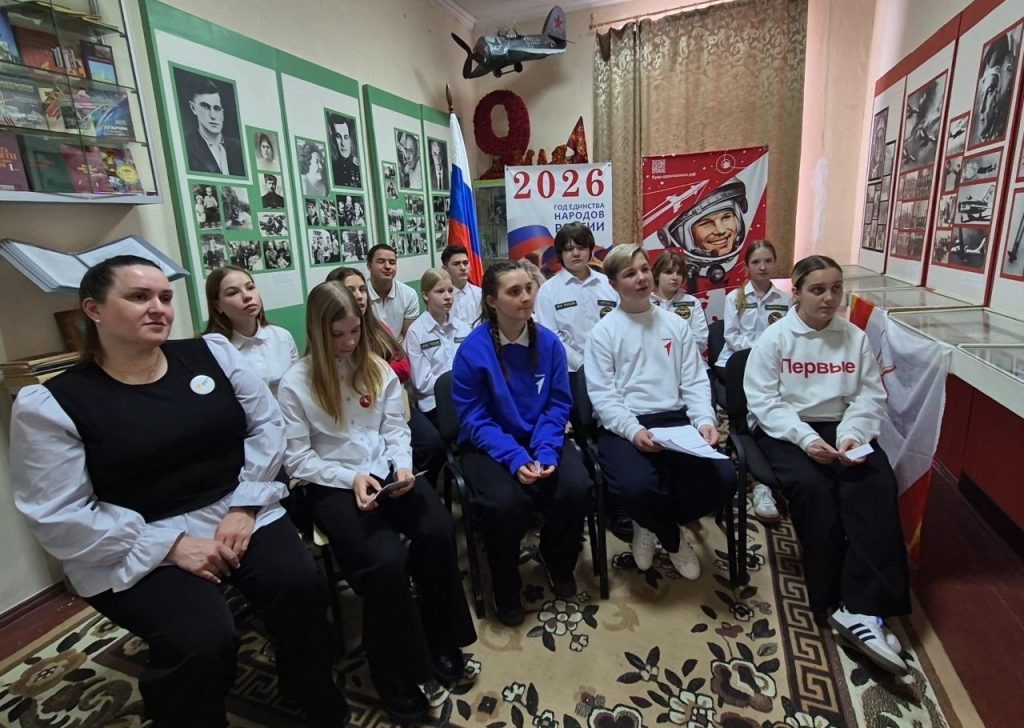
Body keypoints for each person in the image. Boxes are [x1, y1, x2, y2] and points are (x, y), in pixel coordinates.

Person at [8, 256, 347, 727]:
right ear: (93, 309)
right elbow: (57, 512)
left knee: (299, 587)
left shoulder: (212, 355)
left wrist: (246, 504)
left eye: (165, 297)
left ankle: (308, 687)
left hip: (236, 507)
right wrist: (169, 546)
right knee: (202, 639)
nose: (158, 308)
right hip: (138, 537)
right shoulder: (54, 403)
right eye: (138, 297)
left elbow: (267, 426)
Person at [276, 282, 476, 722]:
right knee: (384, 561)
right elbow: (298, 459)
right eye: (338, 335)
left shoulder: (377, 367)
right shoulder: (295, 383)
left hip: (386, 470)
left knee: (437, 529)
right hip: (331, 483)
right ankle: (399, 673)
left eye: (355, 332)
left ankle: (442, 638)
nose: (349, 343)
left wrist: (402, 467)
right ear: (317, 332)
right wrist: (350, 478)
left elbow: (394, 430)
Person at [744, 255, 910, 675]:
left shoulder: (854, 338)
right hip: (787, 428)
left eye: (836, 289)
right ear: (796, 293)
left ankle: (866, 606)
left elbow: (869, 396)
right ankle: (830, 599)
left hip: (842, 426)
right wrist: (806, 439)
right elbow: (764, 402)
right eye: (818, 290)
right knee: (813, 489)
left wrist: (852, 433)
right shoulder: (775, 339)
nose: (829, 298)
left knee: (875, 484)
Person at [452, 262, 592, 626]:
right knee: (505, 504)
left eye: (529, 288)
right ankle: (505, 584)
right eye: (514, 292)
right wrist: (515, 457)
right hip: (490, 444)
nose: (526, 297)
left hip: (540, 437)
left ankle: (556, 559)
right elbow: (475, 419)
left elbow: (558, 403)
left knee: (576, 487)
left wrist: (545, 451)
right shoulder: (473, 351)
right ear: (492, 301)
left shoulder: (549, 343)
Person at [584, 245, 734, 579]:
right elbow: (604, 397)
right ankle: (669, 536)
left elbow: (694, 380)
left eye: (643, 269)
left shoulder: (675, 325)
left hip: (674, 419)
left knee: (723, 480)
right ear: (613, 284)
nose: (641, 278)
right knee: (636, 487)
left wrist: (705, 419)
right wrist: (633, 430)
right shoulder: (603, 333)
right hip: (624, 424)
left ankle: (651, 520)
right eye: (630, 273)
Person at [327, 266, 443, 488]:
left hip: (394, 403)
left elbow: (404, 367)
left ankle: (414, 482)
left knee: (432, 444)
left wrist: (374, 373)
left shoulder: (379, 328)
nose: (359, 296)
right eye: (351, 290)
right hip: (357, 412)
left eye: (362, 289)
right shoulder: (330, 338)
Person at [534, 222, 618, 375]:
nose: (576, 253)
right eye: (569, 249)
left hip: (610, 367)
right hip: (569, 371)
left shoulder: (609, 284)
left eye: (581, 248)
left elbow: (620, 326)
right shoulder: (548, 291)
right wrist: (581, 363)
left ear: (590, 250)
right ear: (560, 254)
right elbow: (550, 335)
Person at [203, 266, 298, 395]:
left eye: (250, 287)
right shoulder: (210, 349)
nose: (247, 296)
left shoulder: (282, 336)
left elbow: (296, 387)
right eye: (233, 293)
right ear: (217, 305)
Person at [406, 268, 471, 421]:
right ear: (425, 295)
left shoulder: (463, 329)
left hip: (464, 396)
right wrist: (455, 383)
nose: (448, 297)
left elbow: (470, 369)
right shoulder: (416, 332)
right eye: (440, 291)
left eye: (450, 290)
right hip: (433, 402)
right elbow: (422, 383)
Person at [650, 251, 710, 355]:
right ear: (656, 275)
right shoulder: (645, 302)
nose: (675, 277)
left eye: (679, 273)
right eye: (668, 272)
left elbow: (701, 341)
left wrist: (673, 352)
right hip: (654, 361)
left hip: (688, 360)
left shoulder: (692, 302)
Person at [183, 77, 244, 176]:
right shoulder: (187, 148)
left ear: (222, 112)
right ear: (193, 108)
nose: (213, 116)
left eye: (217, 108)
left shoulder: (238, 147)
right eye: (205, 107)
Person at [365, 243, 419, 339]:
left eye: (392, 262)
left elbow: (409, 338)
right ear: (369, 266)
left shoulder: (409, 294)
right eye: (381, 261)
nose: (387, 266)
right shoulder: (360, 294)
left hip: (399, 347)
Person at [441, 244, 482, 325]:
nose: (463, 268)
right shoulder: (439, 297)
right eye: (456, 264)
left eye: (465, 263)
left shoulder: (480, 294)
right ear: (445, 269)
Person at [328, 112, 361, 188]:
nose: (343, 143)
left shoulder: (358, 166)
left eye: (345, 137)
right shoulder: (332, 167)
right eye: (338, 137)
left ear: (350, 140)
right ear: (333, 139)